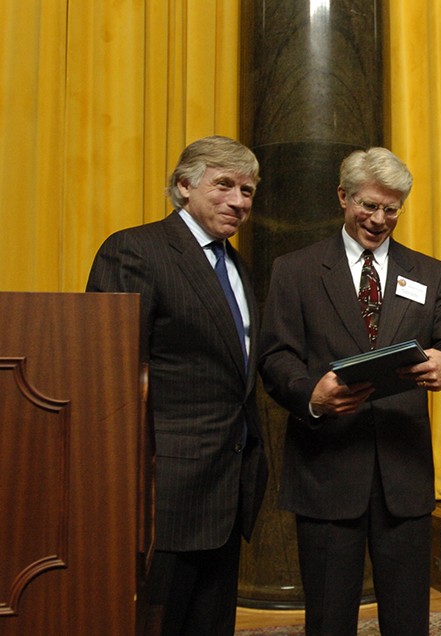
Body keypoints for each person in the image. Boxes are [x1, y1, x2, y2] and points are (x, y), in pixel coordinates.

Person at [258, 146, 441, 636]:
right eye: (369, 205)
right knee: (329, 620)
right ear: (343, 197)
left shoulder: (429, 272)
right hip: (326, 470)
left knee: (407, 622)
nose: (379, 219)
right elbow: (275, 357)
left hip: (403, 476)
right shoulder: (294, 270)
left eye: (392, 208)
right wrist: (311, 396)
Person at [86, 135, 269, 635]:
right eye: (224, 185)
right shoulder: (136, 249)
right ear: (184, 186)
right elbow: (109, 373)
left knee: (210, 624)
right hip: (161, 491)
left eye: (248, 191)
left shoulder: (236, 266)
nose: (238, 201)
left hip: (229, 483)